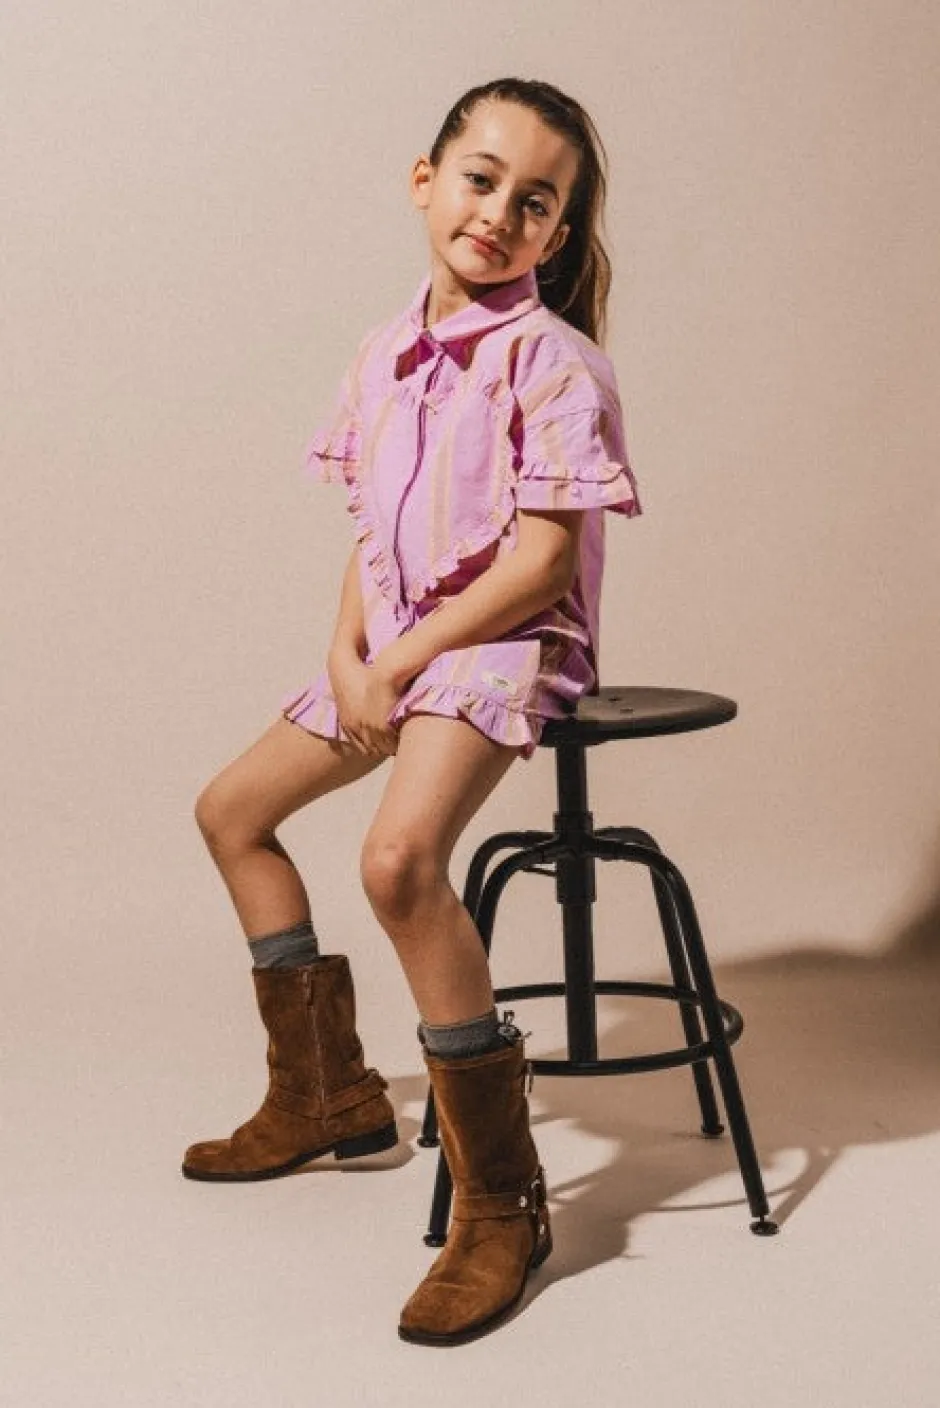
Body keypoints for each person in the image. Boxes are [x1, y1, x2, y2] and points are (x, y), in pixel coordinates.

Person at [183, 76, 642, 1347]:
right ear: (425, 181)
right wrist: (347, 652)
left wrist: (403, 659)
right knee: (231, 813)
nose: (499, 212)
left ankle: (500, 1202)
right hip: (397, 648)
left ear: (556, 234)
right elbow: (368, 530)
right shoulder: (384, 351)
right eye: (481, 178)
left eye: (534, 201)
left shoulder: (554, 362)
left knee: (396, 861)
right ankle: (324, 1094)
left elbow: (541, 562)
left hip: (500, 645)